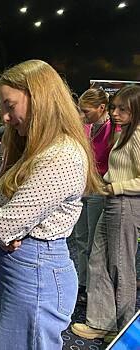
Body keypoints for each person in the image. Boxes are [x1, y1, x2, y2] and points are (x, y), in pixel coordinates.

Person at [0, 59, 103, 350]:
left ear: (38, 98)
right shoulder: (37, 147)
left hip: (37, 277)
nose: (4, 117)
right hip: (26, 275)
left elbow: (4, 224)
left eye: (10, 105)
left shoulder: (62, 154)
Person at [71, 85, 140, 343]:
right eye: (114, 107)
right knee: (97, 261)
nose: (116, 113)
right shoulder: (123, 134)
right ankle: (101, 322)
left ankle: (125, 330)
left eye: (123, 109)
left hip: (126, 204)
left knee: (121, 267)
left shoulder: (136, 136)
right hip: (112, 201)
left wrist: (116, 187)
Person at [73, 88, 114, 304]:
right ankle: (83, 282)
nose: (83, 115)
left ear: (101, 108)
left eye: (86, 111)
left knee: (93, 242)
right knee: (80, 238)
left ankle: (94, 285)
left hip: (99, 188)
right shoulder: (85, 127)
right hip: (82, 186)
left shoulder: (113, 129)